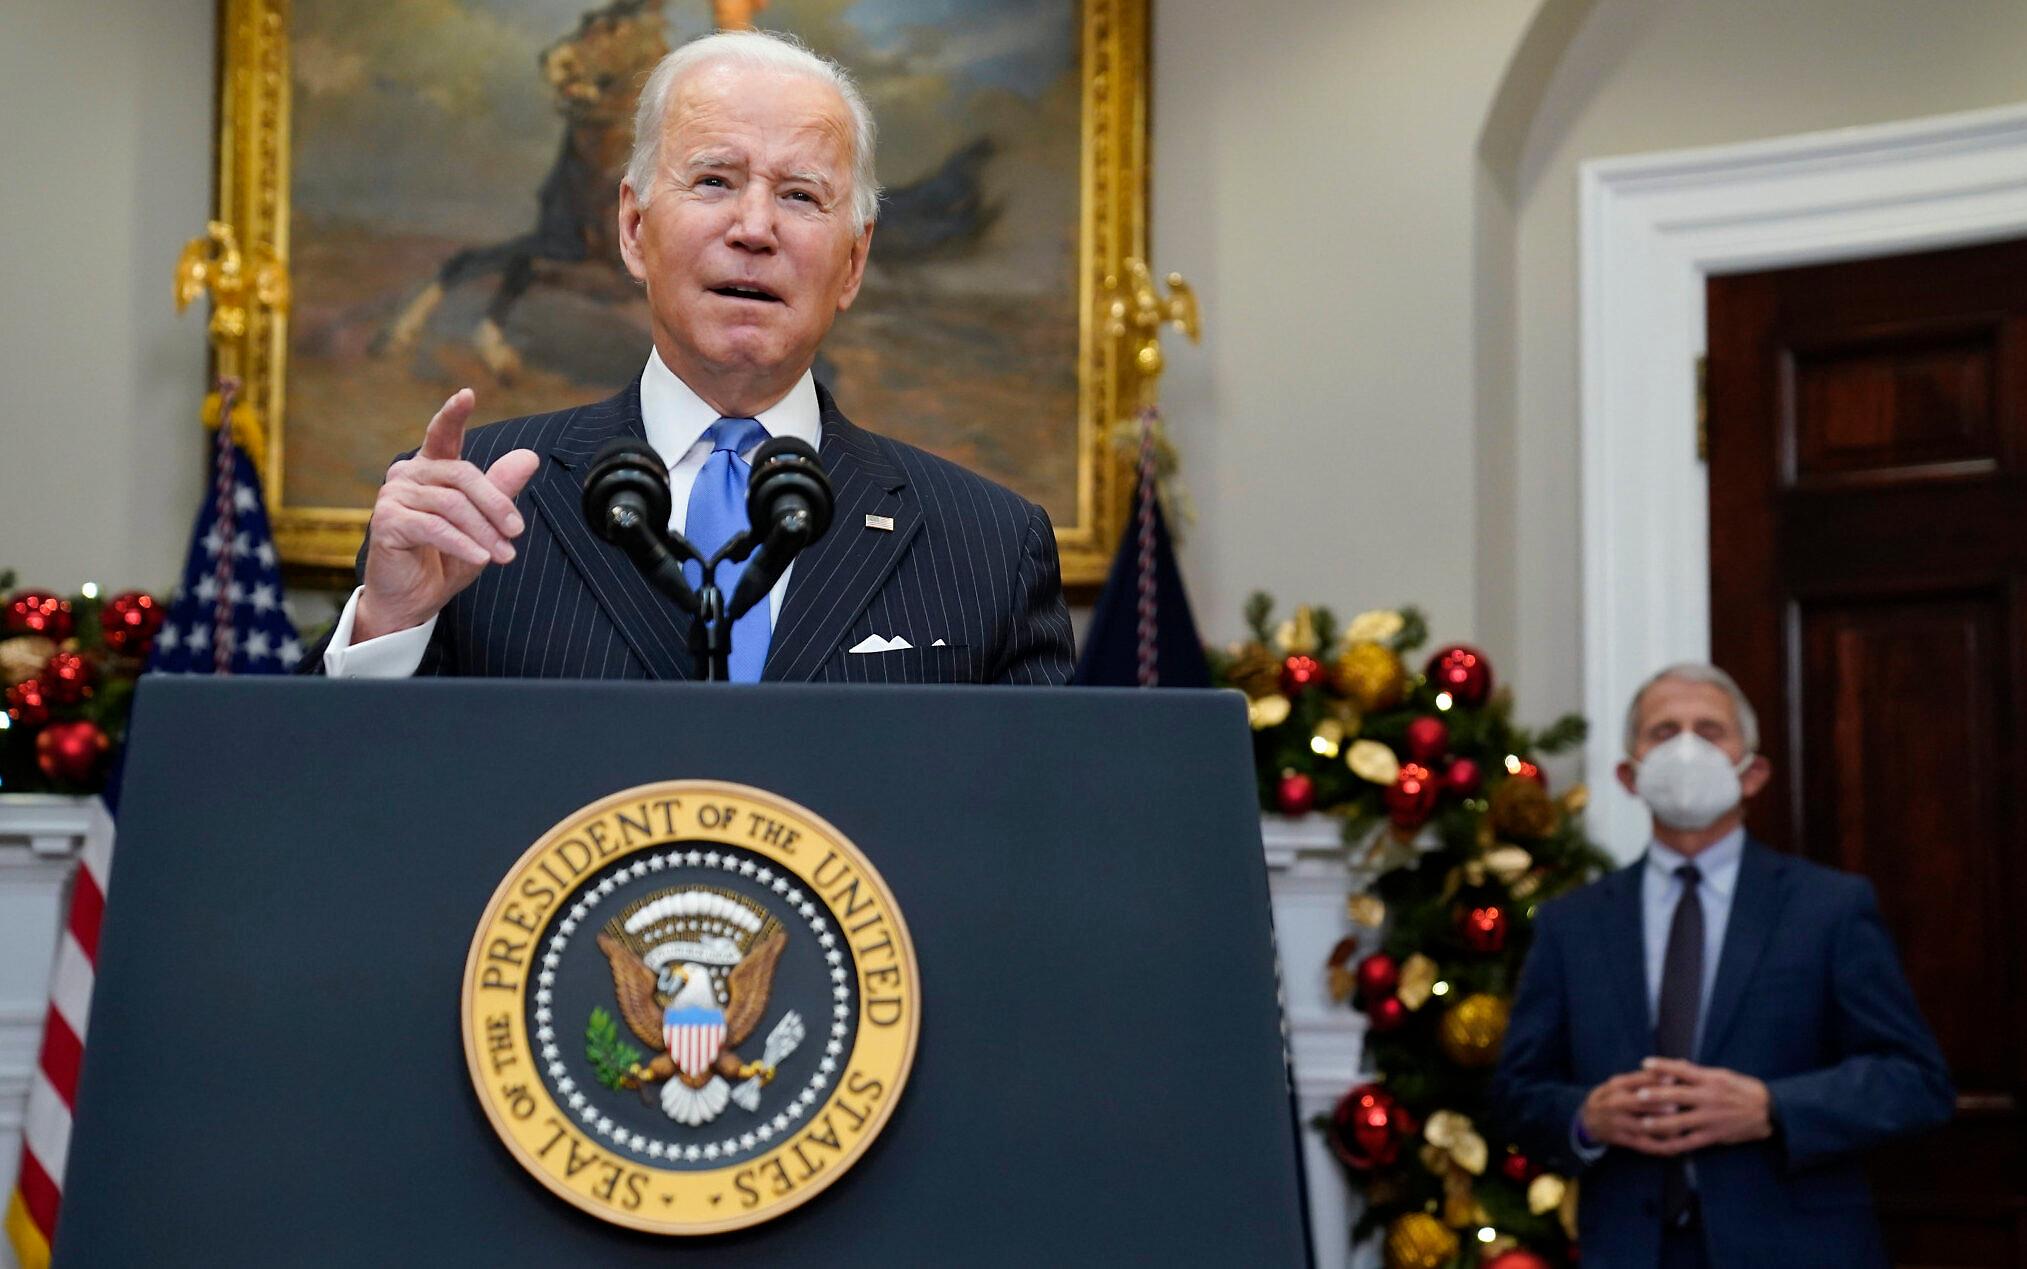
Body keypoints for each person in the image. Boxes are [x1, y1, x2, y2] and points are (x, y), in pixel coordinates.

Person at [312, 29, 1074, 684]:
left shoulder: (989, 547)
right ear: (634, 229)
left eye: (801, 197)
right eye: (714, 181)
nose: (754, 228)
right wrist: (392, 623)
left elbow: (1043, 828)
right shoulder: (471, 509)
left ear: (852, 262)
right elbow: (339, 806)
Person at [1492, 663, 1952, 1268]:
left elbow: (1915, 1081)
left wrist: (1771, 1107)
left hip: (1797, 1248)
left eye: (1710, 731)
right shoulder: (1571, 924)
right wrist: (1586, 1119)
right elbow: (1516, 1096)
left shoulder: (1829, 908)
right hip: (1631, 1249)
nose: (1686, 747)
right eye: (1663, 732)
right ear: (1629, 775)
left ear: (1753, 772)